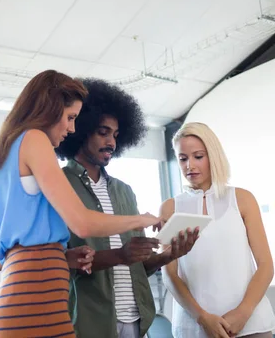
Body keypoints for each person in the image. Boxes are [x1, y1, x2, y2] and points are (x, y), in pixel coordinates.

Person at [0, 70, 161, 338]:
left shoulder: (9, 151)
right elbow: (83, 222)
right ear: (49, 108)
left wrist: (62, 256)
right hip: (36, 305)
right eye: (70, 117)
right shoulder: (34, 138)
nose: (72, 128)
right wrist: (143, 219)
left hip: (30, 302)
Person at [55, 78, 198, 338]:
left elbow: (137, 265)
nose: (111, 142)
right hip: (90, 322)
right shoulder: (59, 185)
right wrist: (120, 255)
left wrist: (169, 254)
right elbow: (59, 261)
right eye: (103, 132)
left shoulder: (124, 192)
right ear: (81, 128)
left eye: (116, 135)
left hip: (136, 321)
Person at [161, 122, 275, 338]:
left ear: (213, 156)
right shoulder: (170, 208)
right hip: (194, 328)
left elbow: (265, 265)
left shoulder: (242, 199)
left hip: (251, 325)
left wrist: (243, 313)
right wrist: (202, 317)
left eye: (198, 156)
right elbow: (169, 274)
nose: (190, 166)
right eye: (183, 158)